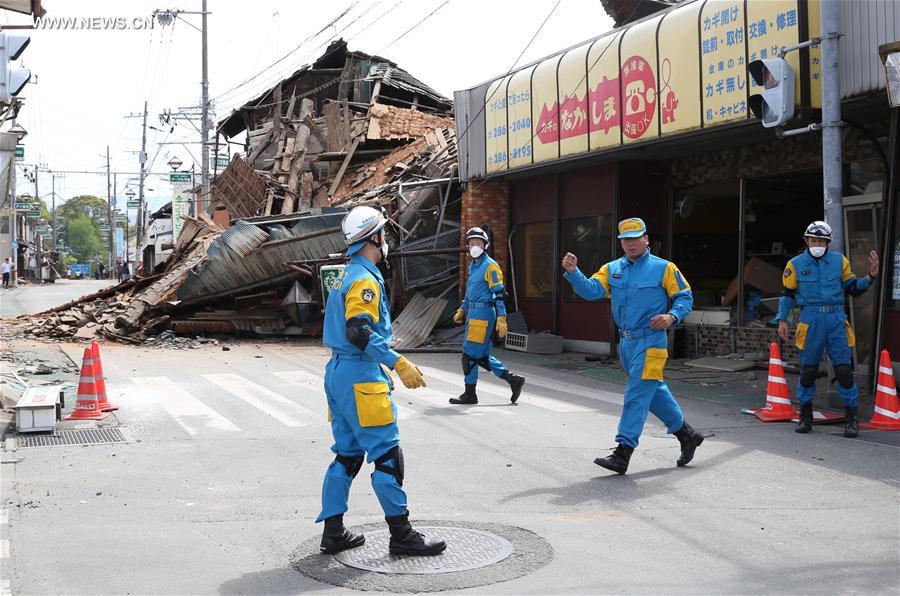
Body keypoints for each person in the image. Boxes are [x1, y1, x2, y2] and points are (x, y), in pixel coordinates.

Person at [316, 205, 446, 557]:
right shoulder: (365, 278)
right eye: (383, 234)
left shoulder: (347, 274)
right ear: (372, 238)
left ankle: (334, 532)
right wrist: (397, 361)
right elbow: (358, 331)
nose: (385, 239)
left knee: (346, 456)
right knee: (388, 456)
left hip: (338, 374)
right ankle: (402, 535)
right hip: (361, 373)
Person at [561, 217, 704, 475]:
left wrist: (672, 316)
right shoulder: (612, 268)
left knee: (636, 395)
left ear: (646, 239)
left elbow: (684, 297)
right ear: (621, 243)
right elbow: (592, 291)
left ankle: (622, 453)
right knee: (654, 392)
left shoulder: (664, 268)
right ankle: (687, 435)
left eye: (636, 238)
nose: (631, 244)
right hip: (626, 343)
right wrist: (573, 273)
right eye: (626, 240)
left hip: (652, 341)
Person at [774, 221, 879, 437]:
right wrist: (782, 320)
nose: (817, 244)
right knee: (808, 370)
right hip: (810, 318)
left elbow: (852, 288)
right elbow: (787, 295)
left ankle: (851, 418)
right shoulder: (794, 264)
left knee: (843, 370)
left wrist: (870, 277)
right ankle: (806, 416)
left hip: (835, 317)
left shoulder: (840, 261)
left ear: (828, 242)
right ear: (806, 241)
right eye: (814, 240)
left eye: (821, 241)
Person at [450, 226, 525, 405]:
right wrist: (463, 308)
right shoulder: (474, 266)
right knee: (481, 356)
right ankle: (513, 380)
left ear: (485, 245)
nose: (475, 246)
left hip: (483, 313)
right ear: (467, 246)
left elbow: (499, 293)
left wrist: (502, 318)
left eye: (479, 243)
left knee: (469, 355)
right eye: (472, 243)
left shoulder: (490, 265)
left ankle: (470, 394)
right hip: (474, 312)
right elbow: (471, 291)